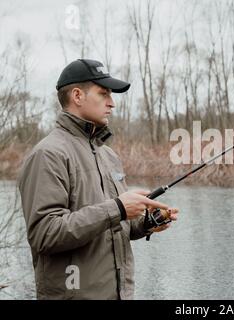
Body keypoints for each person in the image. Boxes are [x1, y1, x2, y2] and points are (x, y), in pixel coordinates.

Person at [17, 58, 179, 300]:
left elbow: (115, 223)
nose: (112, 103)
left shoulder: (108, 155)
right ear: (77, 96)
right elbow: (45, 234)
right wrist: (118, 208)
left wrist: (146, 223)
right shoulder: (48, 154)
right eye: (103, 94)